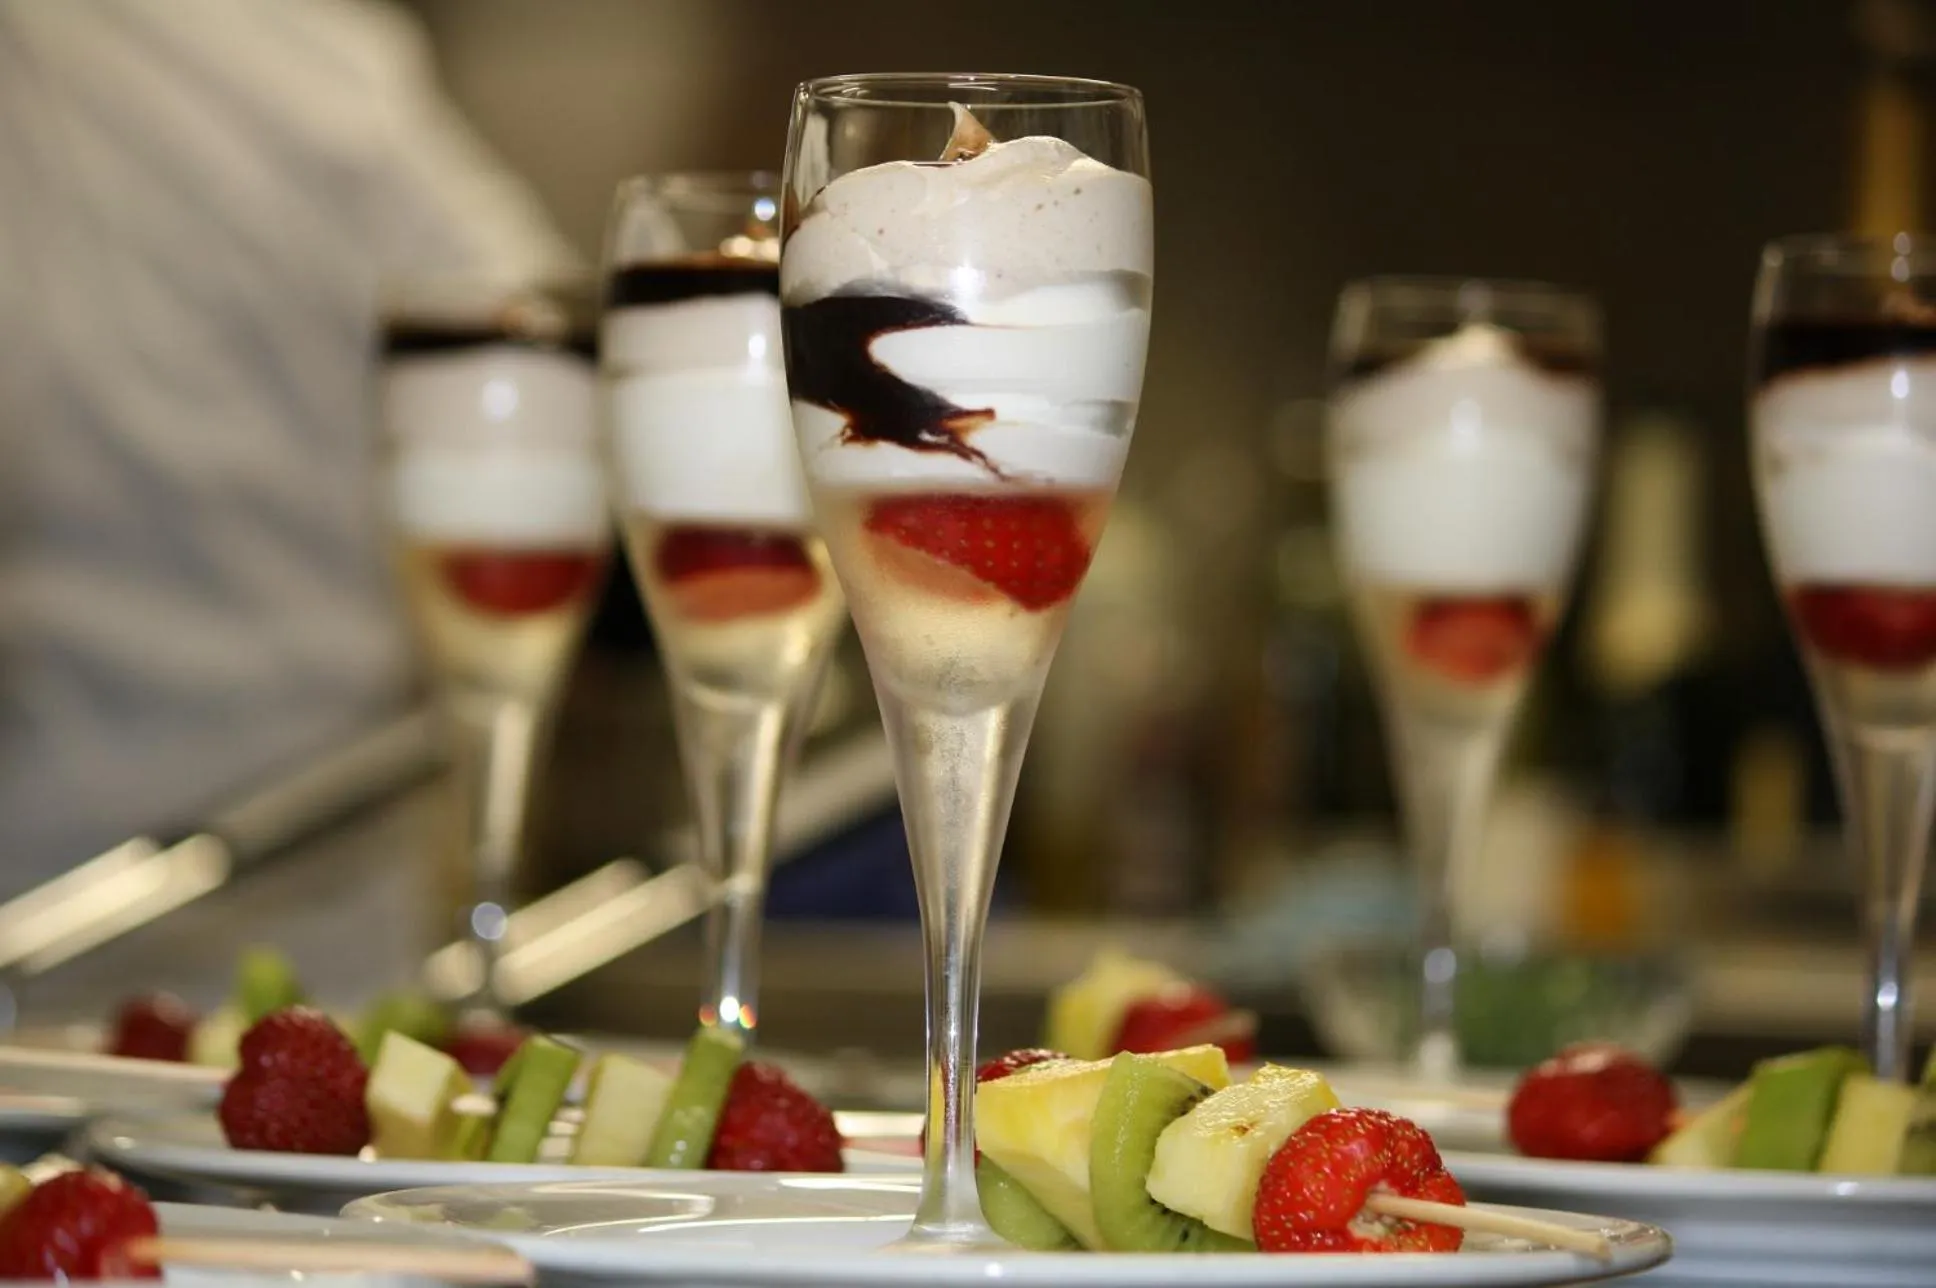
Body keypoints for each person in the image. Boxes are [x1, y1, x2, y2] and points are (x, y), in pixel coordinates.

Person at [0, 0, 576, 896]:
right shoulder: (321, 60)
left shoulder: (311, 58)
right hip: (87, 879)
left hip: (313, 836)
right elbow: (550, 355)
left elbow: (541, 347)